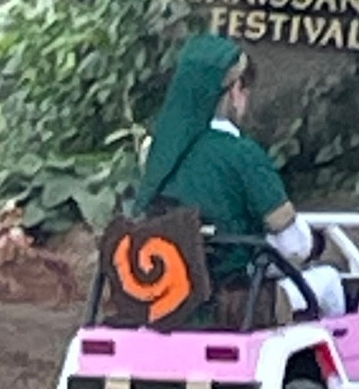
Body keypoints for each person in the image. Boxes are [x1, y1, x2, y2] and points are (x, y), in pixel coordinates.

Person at [133, 33, 346, 317]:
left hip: (163, 301)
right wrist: (317, 246)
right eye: (245, 89)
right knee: (328, 279)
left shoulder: (157, 154)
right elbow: (294, 246)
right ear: (234, 90)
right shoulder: (242, 154)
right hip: (233, 306)